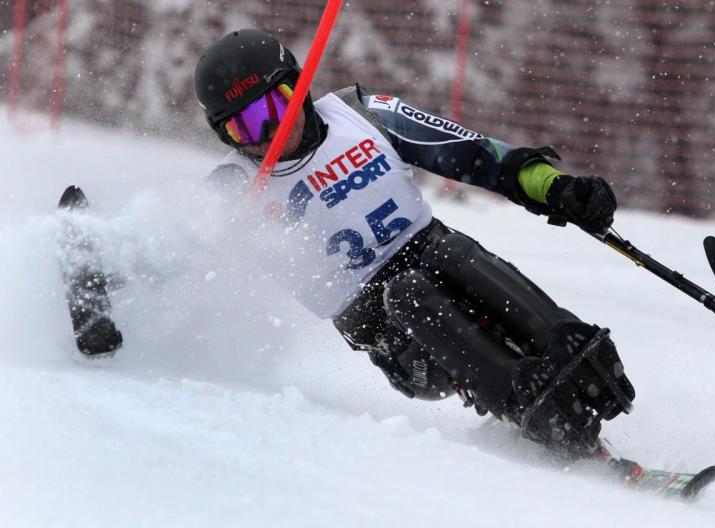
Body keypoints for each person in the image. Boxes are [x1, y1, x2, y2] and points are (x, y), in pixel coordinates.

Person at [193, 29, 635, 459]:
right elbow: (179, 256)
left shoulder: (360, 114)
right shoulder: (235, 188)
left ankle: (571, 348)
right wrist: (121, 293)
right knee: (407, 291)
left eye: (278, 105)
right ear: (226, 137)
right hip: (389, 333)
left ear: (300, 88)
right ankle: (526, 405)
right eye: (245, 126)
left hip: (444, 257)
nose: (271, 130)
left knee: (448, 251)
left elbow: (471, 152)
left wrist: (553, 187)